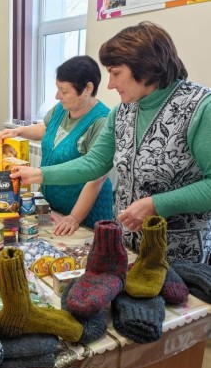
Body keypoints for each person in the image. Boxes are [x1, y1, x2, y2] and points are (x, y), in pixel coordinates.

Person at [11, 22, 211, 264]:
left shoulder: (201, 108)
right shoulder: (123, 112)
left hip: (179, 253)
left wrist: (156, 204)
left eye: (116, 73)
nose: (110, 84)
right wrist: (38, 174)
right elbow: (94, 163)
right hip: (128, 245)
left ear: (146, 67)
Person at [0, 56, 113, 235]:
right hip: (56, 206)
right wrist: (18, 132)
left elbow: (96, 178)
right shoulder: (63, 108)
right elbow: (46, 128)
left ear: (87, 89)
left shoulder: (102, 121)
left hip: (84, 214)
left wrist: (75, 217)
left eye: (64, 91)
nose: (57, 96)